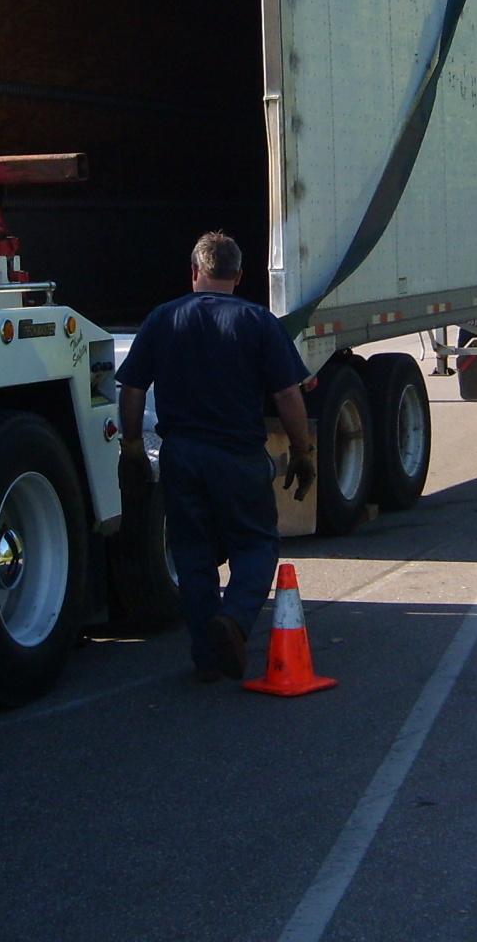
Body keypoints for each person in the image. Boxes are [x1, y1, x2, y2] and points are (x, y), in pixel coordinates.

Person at [115, 231, 316, 682]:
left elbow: (131, 388)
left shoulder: (163, 318)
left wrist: (131, 447)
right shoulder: (259, 322)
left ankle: (207, 655)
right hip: (238, 454)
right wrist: (302, 452)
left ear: (194, 272)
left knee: (192, 552)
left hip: (181, 455)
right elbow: (288, 394)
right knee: (256, 543)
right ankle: (235, 618)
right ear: (239, 275)